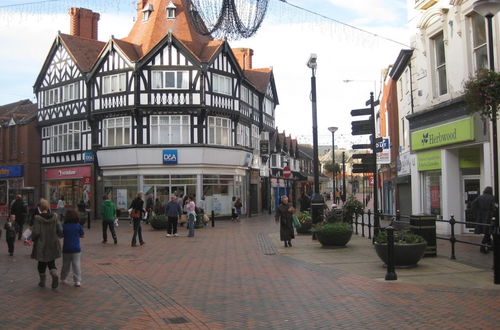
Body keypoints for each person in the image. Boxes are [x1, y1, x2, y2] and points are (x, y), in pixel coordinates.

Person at [31, 198, 63, 289]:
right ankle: (54, 274)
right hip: (52, 242)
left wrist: (32, 238)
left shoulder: (37, 218)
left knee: (41, 262)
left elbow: (36, 232)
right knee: (51, 261)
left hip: (41, 243)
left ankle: (42, 281)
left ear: (40, 208)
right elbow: (60, 230)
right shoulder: (55, 217)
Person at [60, 209, 84, 287]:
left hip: (66, 248)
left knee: (65, 264)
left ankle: (63, 278)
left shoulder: (64, 226)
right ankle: (77, 281)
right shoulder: (78, 225)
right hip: (76, 248)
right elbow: (82, 235)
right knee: (76, 265)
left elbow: (61, 235)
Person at [472, 186, 496, 253]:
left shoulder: (480, 197)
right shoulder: (492, 198)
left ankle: (490, 246)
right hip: (489, 217)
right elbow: (494, 208)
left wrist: (477, 213)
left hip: (481, 218)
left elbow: (473, 204)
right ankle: (483, 247)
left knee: (487, 232)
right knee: (488, 232)